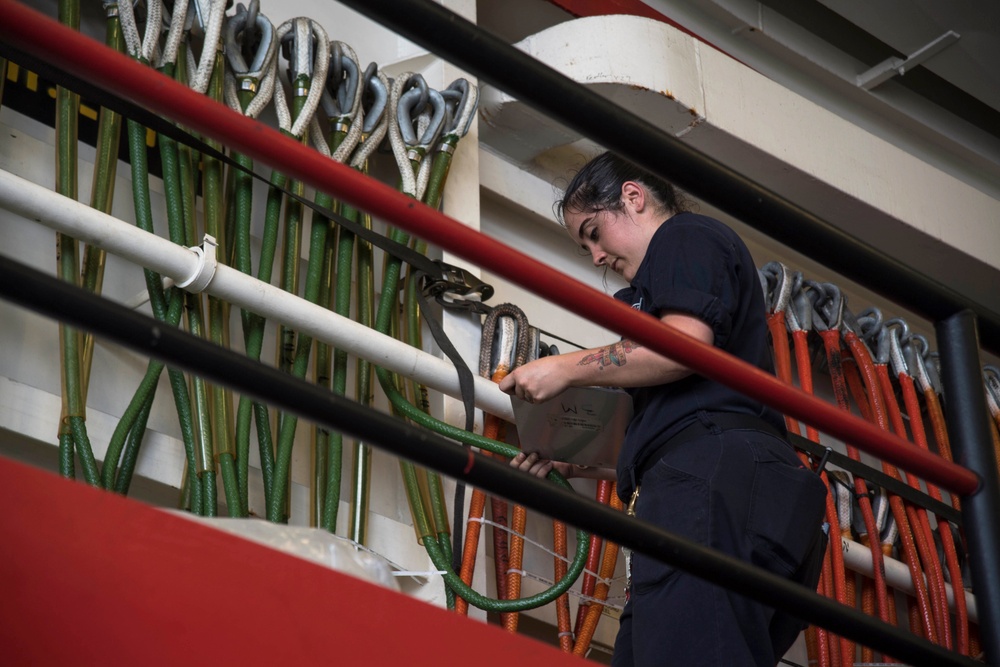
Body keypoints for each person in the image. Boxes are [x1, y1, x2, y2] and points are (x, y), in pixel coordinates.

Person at [498, 152, 828, 667]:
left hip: (712, 480)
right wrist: (573, 460)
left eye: (594, 232)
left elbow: (683, 348)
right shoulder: (659, 290)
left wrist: (565, 367)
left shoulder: (685, 237)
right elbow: (673, 413)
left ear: (633, 197)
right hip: (725, 488)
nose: (596, 257)